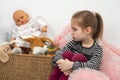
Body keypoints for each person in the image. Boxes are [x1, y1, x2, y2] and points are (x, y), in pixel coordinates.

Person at [48, 10, 103, 80]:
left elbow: (94, 66)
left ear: (87, 30)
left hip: (81, 77)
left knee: (79, 57)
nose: (71, 33)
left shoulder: (97, 49)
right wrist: (62, 63)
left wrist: (71, 65)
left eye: (75, 30)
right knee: (67, 54)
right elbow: (59, 52)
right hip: (65, 72)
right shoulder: (73, 43)